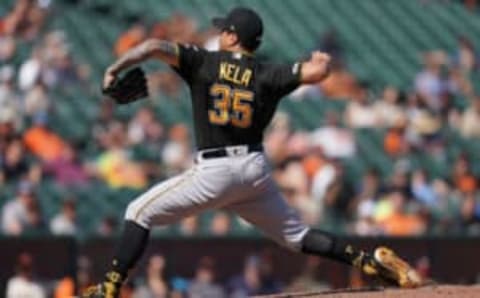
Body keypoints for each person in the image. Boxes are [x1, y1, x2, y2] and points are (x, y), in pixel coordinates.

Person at [82, 7, 422, 298]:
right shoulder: (269, 72)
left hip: (216, 171)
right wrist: (321, 61)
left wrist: (115, 68)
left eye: (223, 31)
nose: (218, 35)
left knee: (138, 212)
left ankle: (110, 288)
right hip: (254, 170)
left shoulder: (203, 61)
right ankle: (372, 264)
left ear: (231, 37)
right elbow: (318, 71)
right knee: (298, 236)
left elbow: (154, 46)